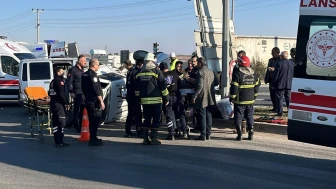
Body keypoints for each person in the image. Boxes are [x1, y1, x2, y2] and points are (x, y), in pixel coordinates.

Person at [135, 53, 169, 145]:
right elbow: (163, 86)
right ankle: (154, 139)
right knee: (156, 119)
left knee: (146, 119)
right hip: (156, 101)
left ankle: (145, 139)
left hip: (144, 102)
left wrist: (139, 98)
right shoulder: (157, 72)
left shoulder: (139, 73)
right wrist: (166, 98)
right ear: (152, 61)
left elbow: (137, 89)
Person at [230, 56, 260, 141]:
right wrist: (254, 96)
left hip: (240, 101)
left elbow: (234, 88)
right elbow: (257, 86)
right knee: (250, 116)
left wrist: (232, 98)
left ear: (240, 63)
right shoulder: (254, 74)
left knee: (238, 117)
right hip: (250, 101)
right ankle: (251, 133)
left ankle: (239, 135)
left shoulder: (237, 74)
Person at [192, 57, 219, 141]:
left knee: (202, 116)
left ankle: (203, 135)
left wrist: (194, 96)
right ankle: (208, 134)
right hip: (211, 96)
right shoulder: (212, 72)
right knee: (209, 116)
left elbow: (199, 87)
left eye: (197, 63)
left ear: (200, 63)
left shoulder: (200, 72)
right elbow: (217, 83)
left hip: (202, 97)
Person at [81, 58, 104, 146]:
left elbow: (83, 88)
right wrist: (101, 101)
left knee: (92, 120)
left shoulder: (84, 75)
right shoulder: (93, 75)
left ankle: (93, 137)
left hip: (88, 100)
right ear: (93, 65)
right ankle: (93, 139)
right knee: (95, 120)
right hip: (94, 102)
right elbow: (96, 89)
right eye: (98, 65)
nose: (98, 67)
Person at [49, 67, 70, 147]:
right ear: (58, 72)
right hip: (59, 104)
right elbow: (62, 94)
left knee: (55, 122)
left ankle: (57, 140)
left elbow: (50, 93)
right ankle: (60, 140)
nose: (63, 72)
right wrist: (66, 103)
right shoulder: (60, 81)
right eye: (62, 71)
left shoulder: (52, 81)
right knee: (61, 122)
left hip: (53, 103)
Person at [124, 59, 144, 138]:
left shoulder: (130, 71)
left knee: (130, 114)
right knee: (138, 114)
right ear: (140, 65)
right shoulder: (137, 72)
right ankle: (139, 131)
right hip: (135, 97)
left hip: (129, 96)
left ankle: (127, 131)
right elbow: (138, 86)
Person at [66, 55, 86, 133]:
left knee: (82, 110)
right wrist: (71, 92)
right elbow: (69, 82)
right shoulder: (73, 70)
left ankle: (81, 125)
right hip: (77, 93)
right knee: (77, 110)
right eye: (84, 61)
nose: (85, 62)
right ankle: (76, 125)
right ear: (80, 61)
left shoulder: (82, 70)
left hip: (83, 93)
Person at [273, 51, 294, 116]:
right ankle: (289, 110)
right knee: (288, 98)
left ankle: (280, 112)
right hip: (289, 84)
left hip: (280, 84)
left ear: (282, 56)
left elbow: (276, 74)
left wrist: (274, 83)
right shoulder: (291, 63)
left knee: (279, 99)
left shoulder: (279, 63)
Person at [159, 62, 177, 140]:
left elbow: (162, 89)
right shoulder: (173, 74)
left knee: (168, 115)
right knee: (173, 114)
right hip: (176, 96)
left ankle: (171, 133)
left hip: (167, 97)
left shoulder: (162, 76)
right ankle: (176, 129)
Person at [264, 47, 281, 111]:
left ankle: (278, 107)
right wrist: (266, 78)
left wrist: (274, 69)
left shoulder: (280, 60)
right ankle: (274, 106)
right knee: (272, 94)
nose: (272, 54)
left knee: (277, 95)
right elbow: (267, 70)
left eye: (273, 53)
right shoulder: (270, 60)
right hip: (271, 79)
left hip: (277, 80)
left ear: (277, 53)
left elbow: (281, 69)